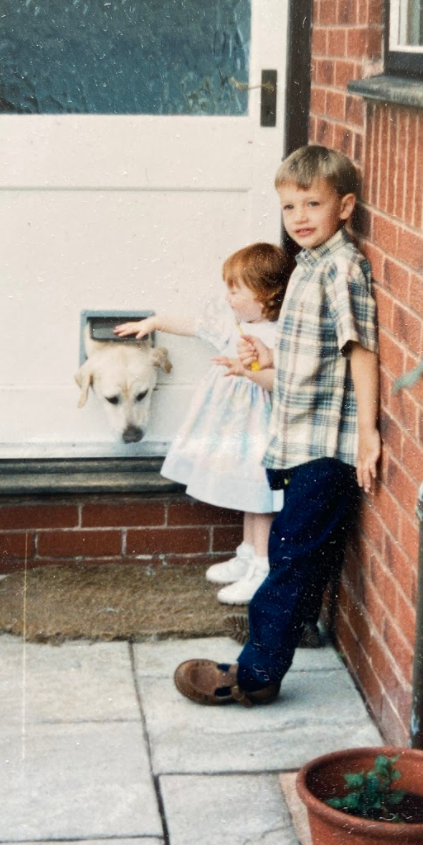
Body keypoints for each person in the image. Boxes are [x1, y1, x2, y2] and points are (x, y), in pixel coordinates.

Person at [174, 144, 380, 706]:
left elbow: (360, 349)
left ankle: (254, 676)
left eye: (312, 204)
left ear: (345, 206)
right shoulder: (309, 267)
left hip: (327, 446)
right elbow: (301, 368)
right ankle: (266, 659)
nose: (300, 218)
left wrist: (368, 432)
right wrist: (259, 369)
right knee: (298, 556)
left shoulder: (342, 268)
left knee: (290, 556)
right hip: (297, 438)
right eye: (289, 208)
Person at [114, 242, 292, 605]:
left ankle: (263, 567)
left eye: (235, 289)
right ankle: (247, 555)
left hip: (262, 426)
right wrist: (154, 322)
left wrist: (249, 371)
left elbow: (283, 383)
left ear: (264, 294)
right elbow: (194, 325)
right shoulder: (234, 323)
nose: (227, 296)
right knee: (247, 491)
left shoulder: (279, 336)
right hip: (236, 430)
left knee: (261, 496)